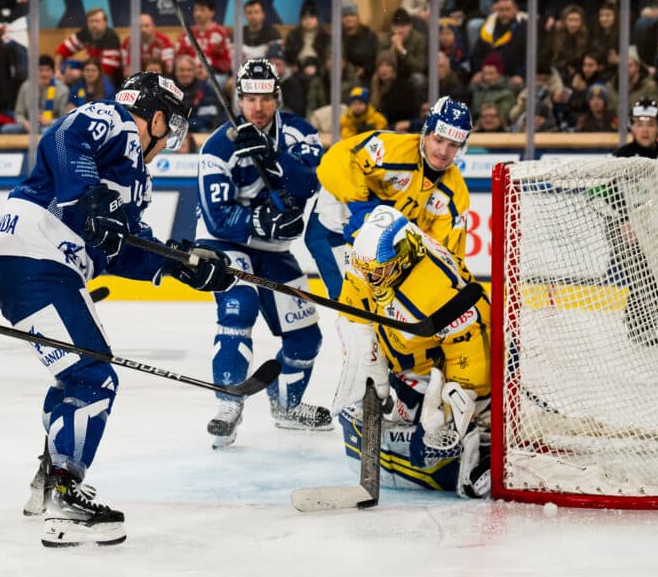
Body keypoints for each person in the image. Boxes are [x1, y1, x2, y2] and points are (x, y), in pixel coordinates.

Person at [0, 72, 235, 547]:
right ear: (156, 116)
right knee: (92, 377)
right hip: (35, 258)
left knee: (79, 376)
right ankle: (65, 494)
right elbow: (64, 135)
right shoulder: (114, 121)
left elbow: (121, 249)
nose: (171, 135)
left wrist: (183, 265)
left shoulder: (135, 177)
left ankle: (50, 482)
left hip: (43, 266)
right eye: (171, 123)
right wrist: (87, 198)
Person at [195, 58, 330, 448]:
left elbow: (310, 182)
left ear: (277, 97)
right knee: (239, 306)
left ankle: (287, 406)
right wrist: (262, 221)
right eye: (250, 99)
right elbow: (217, 217)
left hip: (272, 250)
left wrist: (276, 160)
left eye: (265, 98)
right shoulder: (218, 146)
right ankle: (227, 404)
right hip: (226, 244)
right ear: (238, 99)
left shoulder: (300, 133)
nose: (257, 108)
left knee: (306, 335)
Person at [333, 204, 491, 499]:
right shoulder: (367, 258)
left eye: (378, 273)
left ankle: (485, 445)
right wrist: (368, 359)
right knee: (363, 423)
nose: (370, 279)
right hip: (411, 364)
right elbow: (355, 304)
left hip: (447, 373)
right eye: (366, 271)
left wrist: (450, 413)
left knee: (428, 451)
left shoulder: (438, 292)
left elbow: (472, 350)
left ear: (403, 257)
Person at [307, 96, 473, 303]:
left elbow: (447, 253)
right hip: (335, 226)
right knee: (354, 308)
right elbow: (337, 158)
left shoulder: (455, 194)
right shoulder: (391, 148)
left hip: (387, 252)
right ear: (426, 133)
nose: (443, 152)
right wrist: (360, 208)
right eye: (438, 140)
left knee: (390, 305)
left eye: (453, 145)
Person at [594, 99, 658, 346]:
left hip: (657, 227)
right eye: (639, 123)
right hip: (623, 227)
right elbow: (599, 193)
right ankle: (640, 327)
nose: (645, 129)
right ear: (631, 126)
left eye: (650, 123)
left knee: (656, 275)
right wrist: (625, 220)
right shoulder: (620, 157)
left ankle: (639, 323)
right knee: (642, 276)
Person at [54, 7, 122, 82]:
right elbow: (62, 49)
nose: (93, 25)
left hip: (109, 79)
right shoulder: (86, 33)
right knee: (67, 66)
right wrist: (57, 71)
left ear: (105, 23)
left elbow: (107, 70)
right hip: (91, 70)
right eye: (91, 21)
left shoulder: (112, 38)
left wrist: (81, 74)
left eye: (97, 21)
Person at [8, 53, 69, 133]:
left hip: (51, 127)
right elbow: (18, 113)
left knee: (44, 131)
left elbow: (64, 118)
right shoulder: (26, 87)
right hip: (29, 125)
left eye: (47, 70)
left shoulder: (62, 90)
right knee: (6, 129)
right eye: (41, 70)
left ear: (53, 72)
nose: (44, 74)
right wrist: (25, 123)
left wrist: (50, 122)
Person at [175, 0, 233, 77]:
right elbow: (178, 58)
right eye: (196, 10)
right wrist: (191, 70)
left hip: (215, 75)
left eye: (202, 10)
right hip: (190, 76)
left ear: (212, 12)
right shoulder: (186, 33)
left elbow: (227, 61)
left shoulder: (221, 33)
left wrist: (211, 70)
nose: (198, 14)